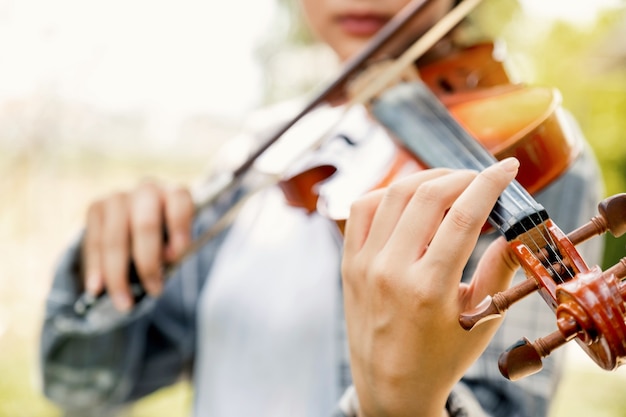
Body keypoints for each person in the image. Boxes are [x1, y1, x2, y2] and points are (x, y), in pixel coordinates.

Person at [40, 0, 605, 416]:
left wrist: (403, 406)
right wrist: (107, 266)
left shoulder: (523, 151)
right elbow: (83, 388)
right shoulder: (266, 146)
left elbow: (501, 404)